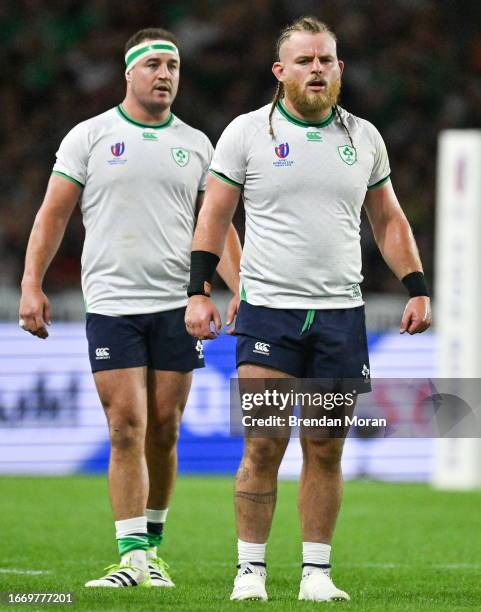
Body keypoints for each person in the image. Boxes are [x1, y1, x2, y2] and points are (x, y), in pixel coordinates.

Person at [185, 16, 431, 603]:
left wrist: (417, 284)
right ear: (281, 71)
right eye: (304, 60)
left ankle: (316, 573)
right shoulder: (247, 133)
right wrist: (199, 290)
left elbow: (388, 218)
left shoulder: (364, 137)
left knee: (326, 446)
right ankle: (251, 570)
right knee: (264, 443)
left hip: (340, 314)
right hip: (269, 311)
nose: (316, 69)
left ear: (340, 68)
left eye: (326, 59)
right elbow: (215, 216)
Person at [19, 28, 241, 588]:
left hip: (179, 306)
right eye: (153, 65)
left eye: (173, 65)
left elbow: (215, 225)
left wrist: (240, 288)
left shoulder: (197, 144)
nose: (164, 74)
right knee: (125, 426)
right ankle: (131, 558)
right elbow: (52, 215)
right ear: (129, 73)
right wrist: (31, 283)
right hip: (114, 304)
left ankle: (155, 550)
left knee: (164, 430)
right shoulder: (90, 137)